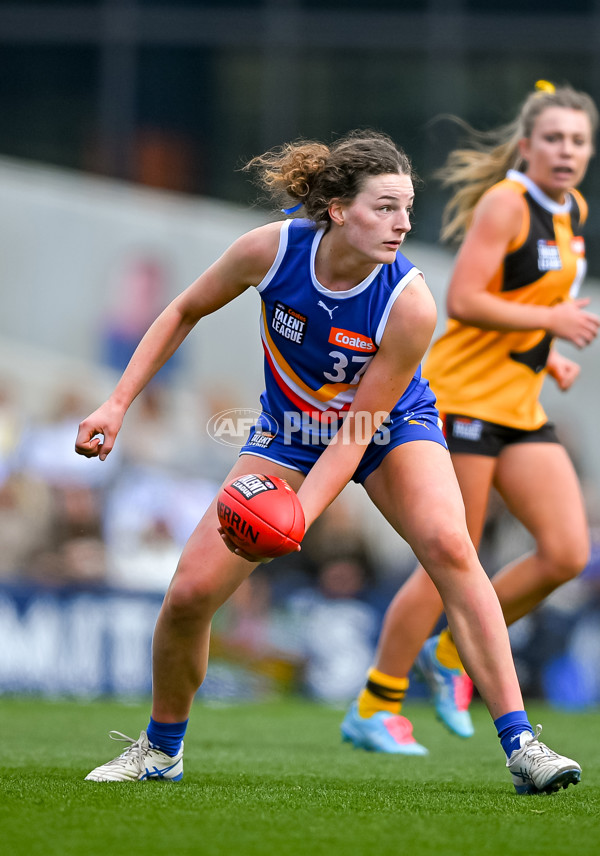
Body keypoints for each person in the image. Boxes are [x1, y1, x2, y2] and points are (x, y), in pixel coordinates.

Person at [75, 129, 580, 795]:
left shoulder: (410, 301)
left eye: (407, 208)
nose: (402, 224)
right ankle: (161, 749)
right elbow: (183, 310)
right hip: (286, 435)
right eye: (384, 208)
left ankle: (523, 746)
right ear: (339, 209)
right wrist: (115, 404)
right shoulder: (273, 249)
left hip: (389, 428)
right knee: (189, 596)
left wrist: (297, 515)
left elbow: (358, 429)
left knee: (450, 548)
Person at [342, 83, 599, 759]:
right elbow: (465, 300)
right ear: (526, 146)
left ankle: (454, 649)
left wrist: (545, 358)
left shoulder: (570, 209)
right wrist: (551, 323)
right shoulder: (506, 203)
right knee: (449, 559)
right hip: (462, 404)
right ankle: (376, 703)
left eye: (578, 140)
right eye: (553, 138)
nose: (566, 151)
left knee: (568, 551)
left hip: (518, 403)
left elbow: (521, 303)